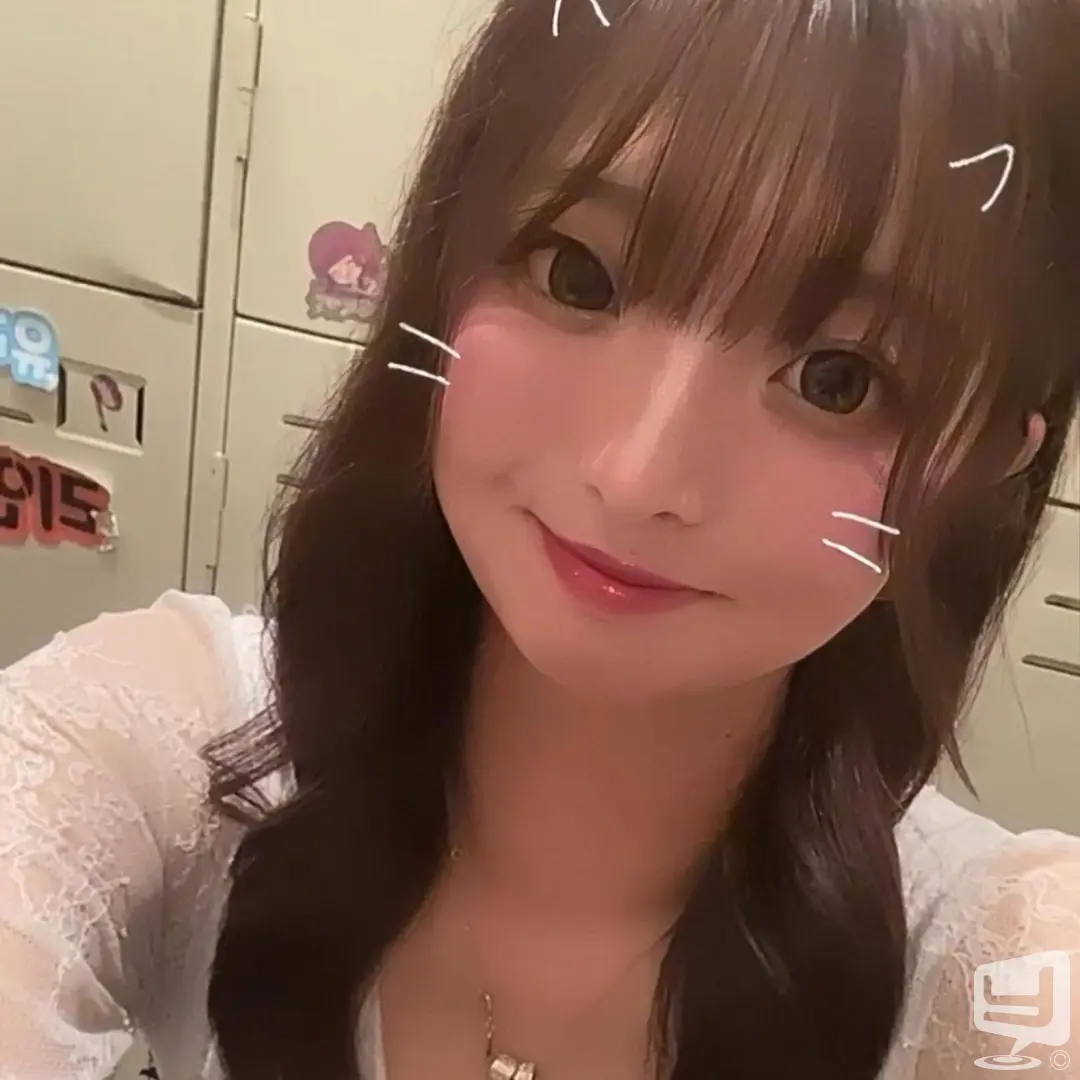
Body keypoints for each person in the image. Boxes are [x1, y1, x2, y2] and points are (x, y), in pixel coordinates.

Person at [2, 0, 1080, 1077]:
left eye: (838, 380)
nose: (637, 476)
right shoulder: (155, 755)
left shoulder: (1011, 964)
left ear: (988, 464)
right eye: (578, 275)